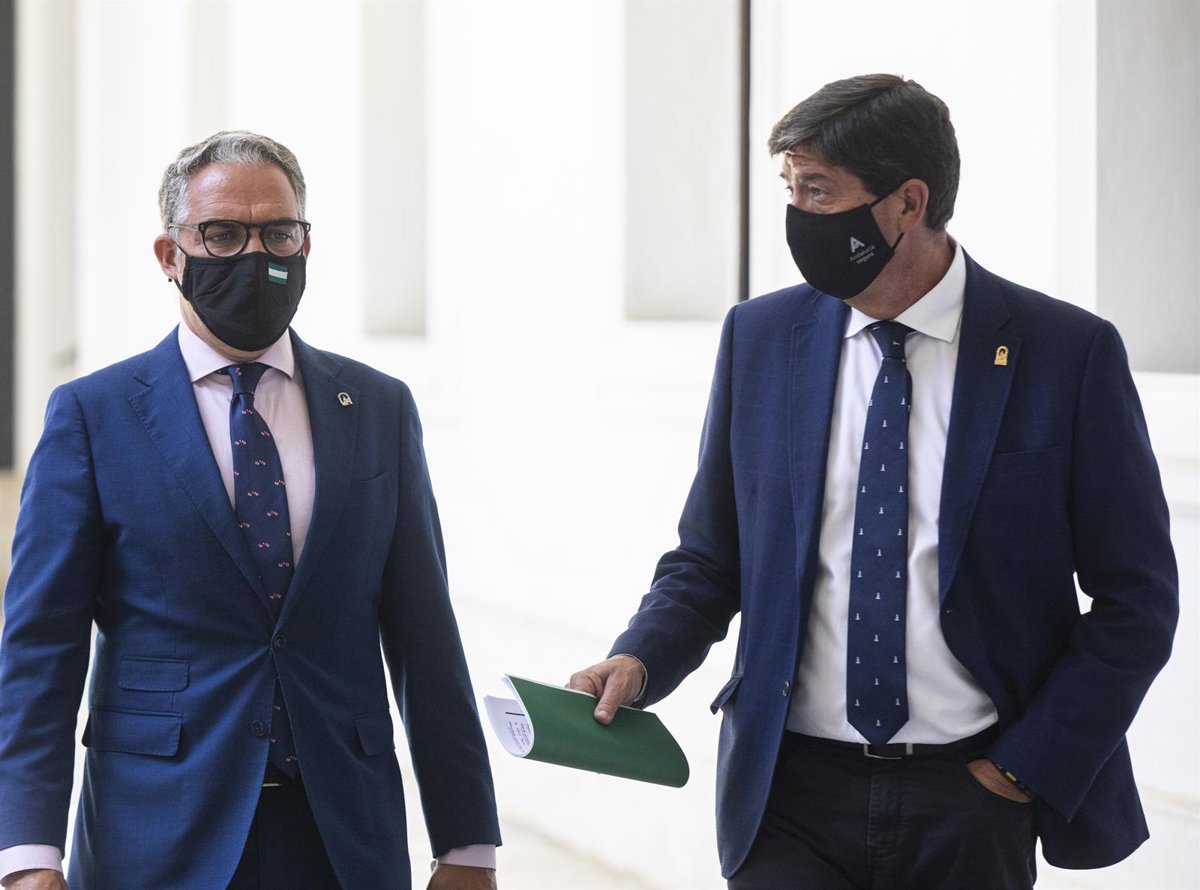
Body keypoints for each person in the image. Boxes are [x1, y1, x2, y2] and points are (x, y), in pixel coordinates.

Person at [570, 74, 1178, 889]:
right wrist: (640, 658)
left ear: (906, 204)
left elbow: (1138, 598)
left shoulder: (1064, 353)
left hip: (971, 801)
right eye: (789, 188)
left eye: (818, 191)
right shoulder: (761, 338)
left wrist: (1021, 771)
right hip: (789, 795)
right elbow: (712, 559)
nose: (797, 215)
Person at [0, 131, 500, 890]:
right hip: (158, 833)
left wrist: (466, 843)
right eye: (223, 235)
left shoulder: (377, 409)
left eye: (278, 233)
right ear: (170, 256)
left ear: (306, 245)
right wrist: (27, 856)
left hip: (341, 835)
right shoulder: (94, 416)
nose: (255, 254)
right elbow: (41, 651)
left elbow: (425, 635)